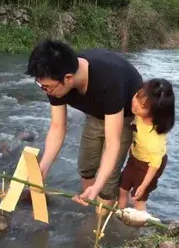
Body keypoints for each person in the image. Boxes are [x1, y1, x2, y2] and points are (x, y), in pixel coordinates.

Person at [26, 39, 143, 213]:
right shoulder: (55, 80)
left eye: (47, 87)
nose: (45, 91)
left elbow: (112, 143)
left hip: (125, 113)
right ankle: (91, 205)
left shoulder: (108, 80)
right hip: (95, 110)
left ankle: (100, 220)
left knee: (107, 180)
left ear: (68, 78)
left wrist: (99, 186)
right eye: (41, 85)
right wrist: (42, 169)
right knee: (86, 167)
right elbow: (58, 127)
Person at [118, 78, 175, 212]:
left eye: (143, 106)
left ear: (155, 111)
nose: (136, 104)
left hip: (149, 166)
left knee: (138, 198)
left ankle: (139, 225)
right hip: (135, 158)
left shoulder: (155, 139)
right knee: (122, 188)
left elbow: (154, 165)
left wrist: (144, 185)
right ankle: (119, 213)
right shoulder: (138, 115)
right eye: (137, 96)